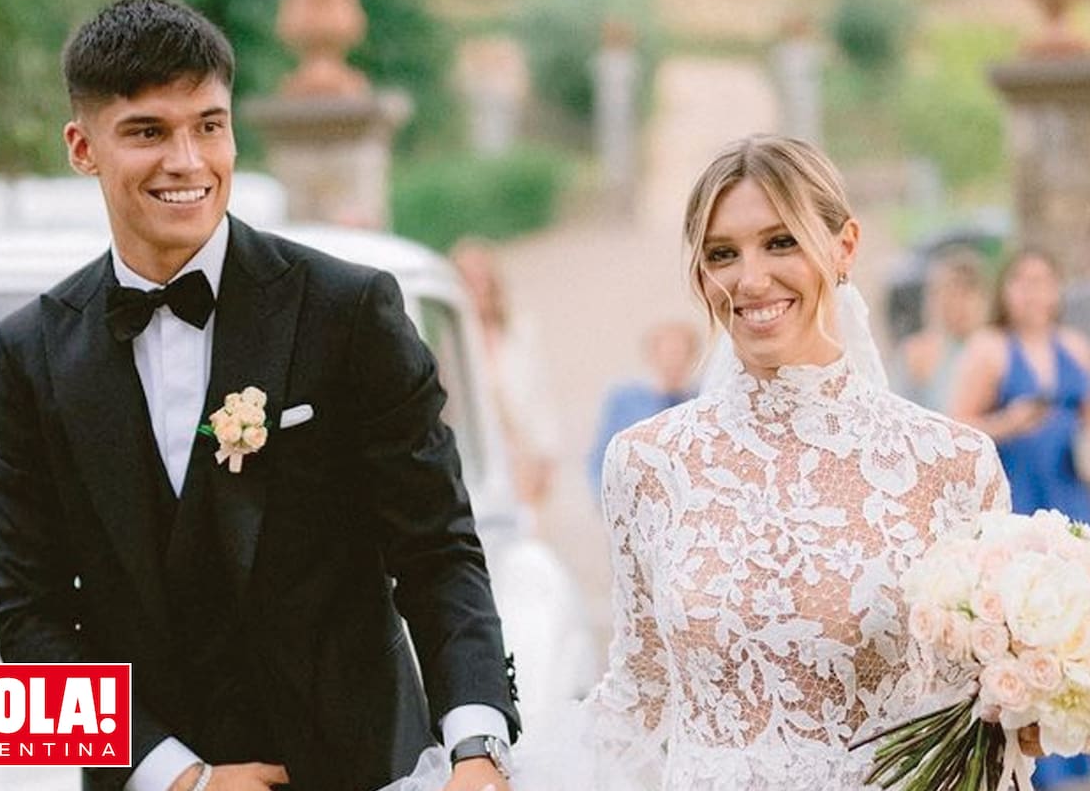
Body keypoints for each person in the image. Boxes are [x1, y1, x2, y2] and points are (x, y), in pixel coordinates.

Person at [0, 0, 519, 791]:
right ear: (82, 147)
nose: (188, 161)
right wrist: (176, 775)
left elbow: (436, 550)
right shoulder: (30, 352)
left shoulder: (348, 310)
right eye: (147, 131)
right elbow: (27, 612)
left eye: (209, 124)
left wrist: (477, 745)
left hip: (363, 771)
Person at [383, 136, 1017, 791]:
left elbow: (979, 717)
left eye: (782, 241)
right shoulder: (648, 463)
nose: (749, 278)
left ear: (844, 247)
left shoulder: (952, 463)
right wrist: (487, 768)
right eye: (722, 254)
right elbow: (640, 693)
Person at [949, 248, 1090, 789]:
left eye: (1043, 282)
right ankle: (1040, 764)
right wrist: (1009, 421)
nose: (1034, 293)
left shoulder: (1073, 346)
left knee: (1075, 620)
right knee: (1030, 627)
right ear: (1006, 291)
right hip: (1020, 500)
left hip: (1070, 494)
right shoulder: (991, 349)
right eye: (1023, 282)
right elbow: (957, 427)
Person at [452, 238, 559, 533]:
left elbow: (540, 394)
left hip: (522, 454)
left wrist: (546, 455)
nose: (479, 287)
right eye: (469, 279)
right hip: (480, 460)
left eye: (483, 278)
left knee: (529, 535)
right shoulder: (450, 343)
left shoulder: (520, 332)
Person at [586, 321, 700, 499]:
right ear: (653, 356)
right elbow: (601, 458)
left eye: (680, 354)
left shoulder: (699, 403)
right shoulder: (625, 400)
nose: (674, 362)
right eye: (668, 354)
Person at [892, 248, 987, 411]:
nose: (958, 304)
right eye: (950, 293)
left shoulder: (997, 349)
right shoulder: (917, 353)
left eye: (967, 293)